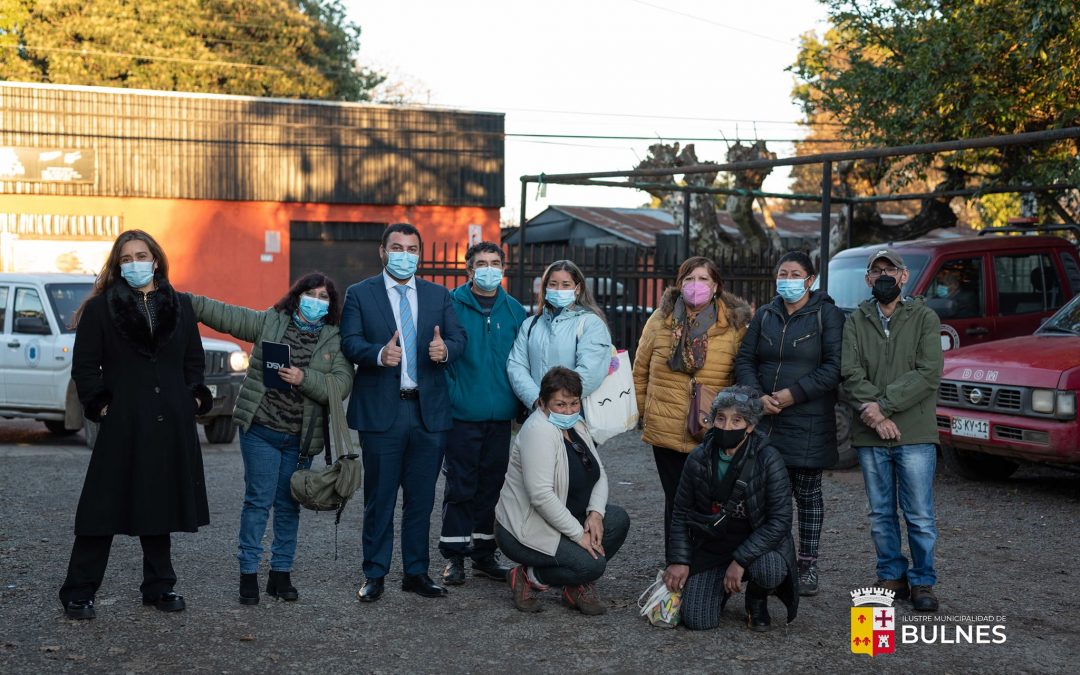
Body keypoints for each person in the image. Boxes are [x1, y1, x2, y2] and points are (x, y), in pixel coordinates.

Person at [59, 230, 213, 620]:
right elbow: (84, 368)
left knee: (158, 502)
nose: (134, 263)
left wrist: (192, 397)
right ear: (117, 265)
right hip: (124, 421)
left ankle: (159, 586)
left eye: (140, 255)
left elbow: (193, 361)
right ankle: (78, 590)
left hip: (169, 421)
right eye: (125, 258)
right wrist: (102, 406)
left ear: (156, 259)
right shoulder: (101, 310)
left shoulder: (180, 305)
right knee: (100, 507)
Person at [188, 272, 354, 605]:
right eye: (311, 294)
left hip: (299, 439)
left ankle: (281, 575)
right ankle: (248, 574)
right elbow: (228, 315)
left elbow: (340, 385)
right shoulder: (272, 322)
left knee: (288, 505)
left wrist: (303, 378)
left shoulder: (334, 340)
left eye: (325, 297)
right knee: (257, 502)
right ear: (297, 295)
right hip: (261, 430)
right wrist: (185, 300)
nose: (317, 301)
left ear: (331, 306)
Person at [340, 223, 467, 603]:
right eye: (397, 247)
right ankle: (374, 573)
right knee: (380, 498)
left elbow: (459, 339)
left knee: (421, 498)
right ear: (383, 251)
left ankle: (416, 572)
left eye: (412, 248)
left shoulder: (437, 295)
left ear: (419, 254)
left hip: (428, 413)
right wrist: (379, 354)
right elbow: (349, 341)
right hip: (384, 412)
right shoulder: (360, 294)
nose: (404, 254)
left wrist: (445, 352)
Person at [734, 251, 845, 596]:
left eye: (795, 274)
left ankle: (808, 564)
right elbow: (745, 360)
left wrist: (792, 395)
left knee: (807, 495)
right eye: (782, 273)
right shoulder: (765, 314)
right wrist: (757, 395)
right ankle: (772, 559)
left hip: (808, 419)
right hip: (766, 420)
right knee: (765, 493)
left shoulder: (828, 315)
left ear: (810, 280)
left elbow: (833, 367)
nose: (788, 279)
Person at [841, 248, 944, 612]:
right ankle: (891, 575)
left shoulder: (925, 318)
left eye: (891, 270)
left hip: (914, 433)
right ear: (868, 280)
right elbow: (850, 373)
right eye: (877, 271)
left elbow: (929, 372)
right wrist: (877, 417)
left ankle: (922, 581)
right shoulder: (855, 320)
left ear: (903, 277)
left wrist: (882, 408)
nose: (883, 276)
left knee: (918, 513)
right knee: (880, 512)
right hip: (871, 435)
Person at [631, 256, 751, 562]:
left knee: (708, 500)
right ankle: (676, 565)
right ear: (679, 284)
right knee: (676, 501)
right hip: (666, 429)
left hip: (711, 431)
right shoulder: (660, 320)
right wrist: (644, 413)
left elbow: (740, 379)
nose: (695, 286)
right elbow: (640, 371)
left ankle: (702, 568)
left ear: (716, 287)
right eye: (688, 279)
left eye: (703, 280)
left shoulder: (734, 326)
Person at [662, 385, 799, 632]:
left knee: (771, 570)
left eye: (737, 420)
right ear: (712, 420)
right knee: (697, 620)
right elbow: (681, 511)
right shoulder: (698, 457)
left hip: (756, 543)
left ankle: (756, 597)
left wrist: (741, 560)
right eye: (721, 418)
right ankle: (719, 588)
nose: (727, 427)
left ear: (751, 426)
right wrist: (679, 560)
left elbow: (780, 521)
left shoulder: (769, 459)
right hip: (713, 543)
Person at [495, 367, 630, 615]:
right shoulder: (539, 431)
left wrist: (596, 514)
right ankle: (527, 575)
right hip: (526, 528)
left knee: (617, 520)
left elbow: (599, 473)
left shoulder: (576, 425)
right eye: (560, 404)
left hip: (565, 518)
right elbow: (541, 496)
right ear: (543, 403)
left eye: (574, 403)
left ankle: (574, 585)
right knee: (593, 565)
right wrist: (580, 535)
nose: (568, 411)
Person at [439, 242, 528, 585]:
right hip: (462, 415)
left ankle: (483, 553)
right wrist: (452, 397)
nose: (489, 269)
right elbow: (440, 355)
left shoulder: (515, 311)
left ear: (503, 268)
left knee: (492, 485)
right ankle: (455, 556)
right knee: (461, 485)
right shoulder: (450, 305)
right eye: (481, 263)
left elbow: (521, 361)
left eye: (495, 263)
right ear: (469, 269)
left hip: (500, 417)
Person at [507, 259, 611, 412]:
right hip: (538, 411)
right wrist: (537, 400)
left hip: (575, 413)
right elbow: (517, 365)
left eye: (566, 285)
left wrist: (559, 403)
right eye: (553, 284)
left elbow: (591, 371)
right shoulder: (530, 325)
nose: (559, 289)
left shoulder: (590, 324)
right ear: (545, 287)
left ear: (577, 288)